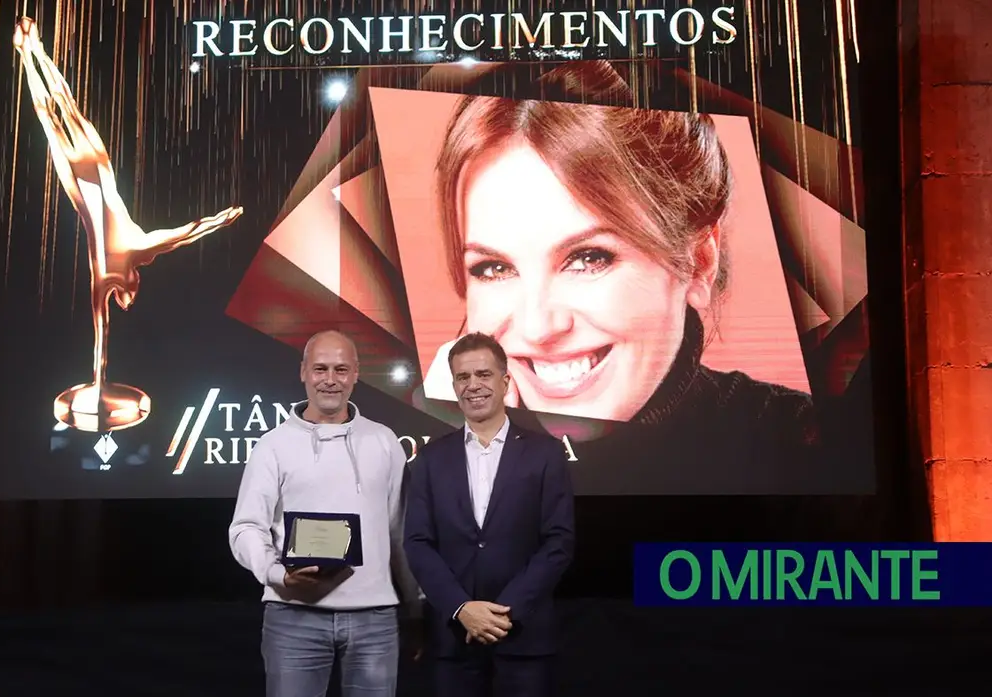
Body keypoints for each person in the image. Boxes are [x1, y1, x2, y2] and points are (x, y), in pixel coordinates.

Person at [419, 62, 819, 491]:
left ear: (699, 261)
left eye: (589, 258)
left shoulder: (803, 450)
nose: (537, 328)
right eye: (494, 268)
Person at [229, 330, 420, 697]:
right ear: (303, 372)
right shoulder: (272, 446)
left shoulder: (384, 441)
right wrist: (276, 574)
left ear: (356, 374)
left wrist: (416, 608)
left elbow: (401, 535)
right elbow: (246, 528)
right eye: (320, 368)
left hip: (375, 619)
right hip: (293, 617)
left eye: (341, 369)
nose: (330, 380)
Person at [405, 332, 575, 697]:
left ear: (505, 381)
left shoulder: (545, 453)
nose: (473, 386)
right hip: (454, 640)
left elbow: (558, 542)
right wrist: (461, 608)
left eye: (483, 374)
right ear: (453, 385)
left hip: (524, 640)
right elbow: (418, 543)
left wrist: (503, 614)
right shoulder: (431, 459)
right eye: (463, 378)